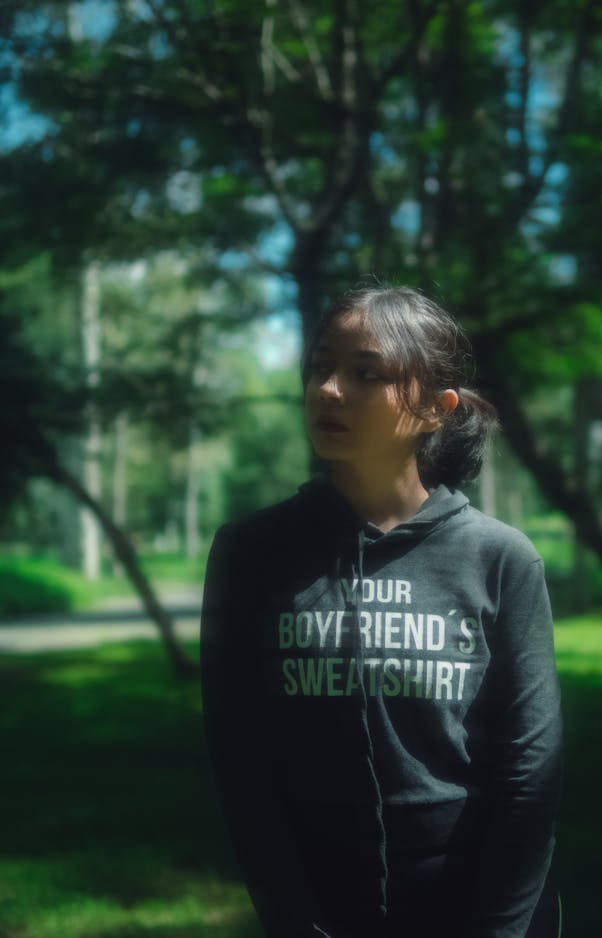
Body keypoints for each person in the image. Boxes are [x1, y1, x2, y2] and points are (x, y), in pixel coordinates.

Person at [200, 286, 563, 938]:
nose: (328, 389)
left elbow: (529, 774)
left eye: (366, 372)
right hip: (320, 905)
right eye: (319, 367)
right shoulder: (250, 552)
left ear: (434, 408)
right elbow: (241, 765)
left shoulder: (500, 559)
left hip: (473, 905)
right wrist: (296, 923)